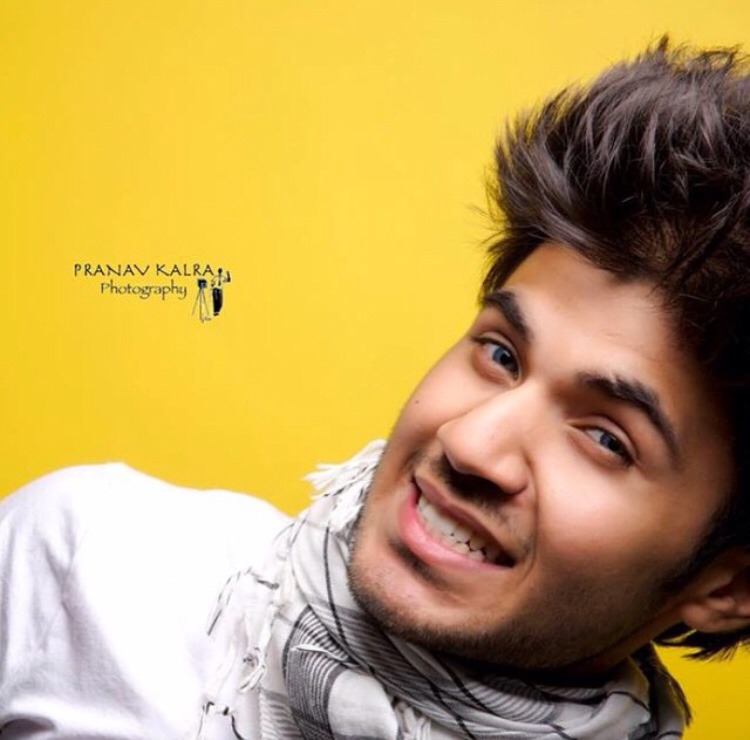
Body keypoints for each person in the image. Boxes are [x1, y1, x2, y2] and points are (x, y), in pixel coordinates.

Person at [3, 37, 750, 739]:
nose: (469, 442)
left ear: (729, 588)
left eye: (605, 439)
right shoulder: (90, 563)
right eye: (501, 354)